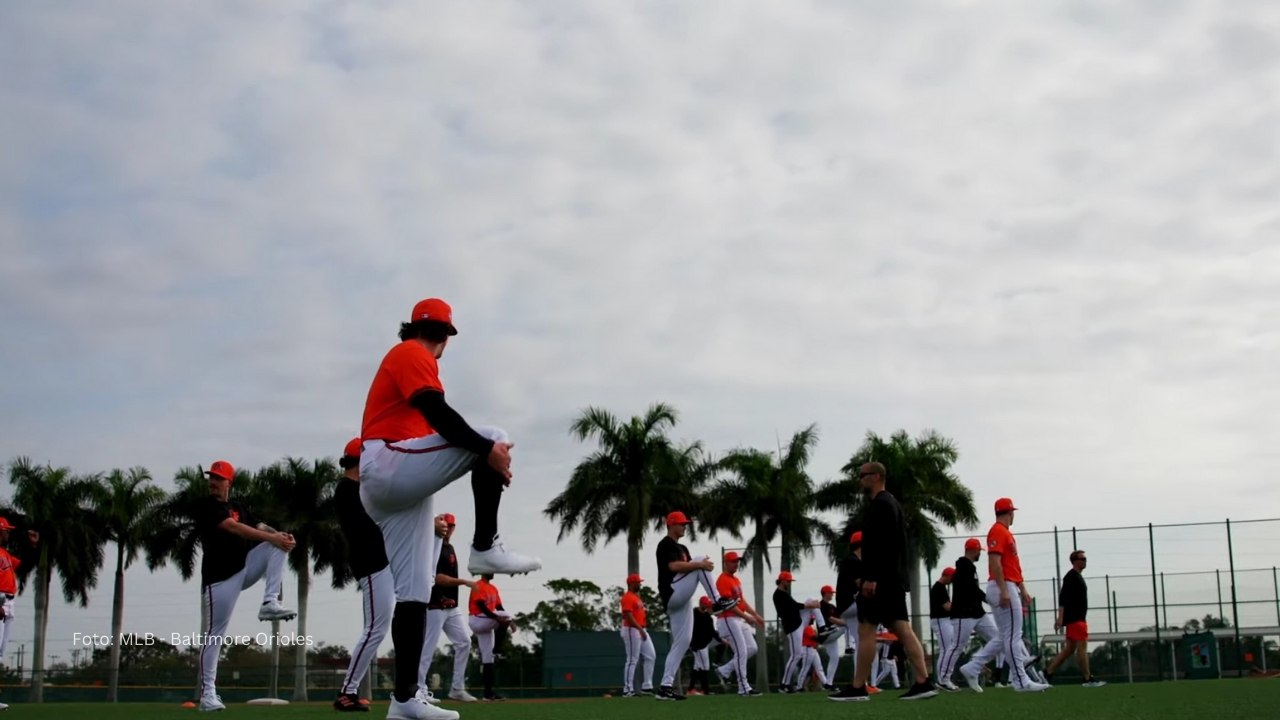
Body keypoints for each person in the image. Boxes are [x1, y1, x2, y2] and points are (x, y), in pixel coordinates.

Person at [358, 298, 539, 720]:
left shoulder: (407, 353)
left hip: (393, 482)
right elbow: (437, 411)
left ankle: (404, 700)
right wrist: (487, 452)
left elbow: (432, 428)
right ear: (445, 338)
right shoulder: (412, 354)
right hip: (388, 462)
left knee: (416, 590)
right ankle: (485, 546)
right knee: (491, 435)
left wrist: (483, 455)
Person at [194, 460, 297, 712]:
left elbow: (258, 526)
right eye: (212, 478)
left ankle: (270, 602)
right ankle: (208, 695)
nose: (213, 482)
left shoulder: (237, 506)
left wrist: (280, 535)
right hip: (219, 580)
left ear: (230, 482)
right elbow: (235, 528)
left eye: (219, 478)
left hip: (243, 568)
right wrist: (271, 536)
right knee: (214, 635)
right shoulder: (207, 506)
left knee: (278, 543)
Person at [829, 462, 936, 702]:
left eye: (864, 476)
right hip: (892, 580)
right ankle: (923, 682)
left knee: (866, 629)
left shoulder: (881, 505)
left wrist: (871, 578)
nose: (860, 480)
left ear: (877, 476)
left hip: (881, 582)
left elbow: (882, 546)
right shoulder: (891, 503)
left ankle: (858, 688)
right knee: (902, 629)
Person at [334, 439, 394, 712]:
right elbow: (372, 525)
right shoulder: (348, 490)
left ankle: (351, 690)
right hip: (370, 565)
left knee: (378, 628)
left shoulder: (356, 489)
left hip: (378, 563)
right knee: (374, 629)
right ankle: (347, 691)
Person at [654, 511, 738, 701]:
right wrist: (700, 565)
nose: (685, 526)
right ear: (672, 524)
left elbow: (690, 572)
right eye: (682, 524)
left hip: (681, 598)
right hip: (672, 592)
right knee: (699, 560)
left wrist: (700, 566)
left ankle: (665, 688)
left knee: (682, 643)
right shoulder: (665, 544)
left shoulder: (682, 547)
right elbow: (673, 567)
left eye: (685, 524)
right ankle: (717, 600)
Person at [970, 498, 1046, 693]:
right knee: (1013, 636)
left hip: (1007, 584)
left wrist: (1023, 589)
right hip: (1002, 585)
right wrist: (1005, 590)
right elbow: (995, 563)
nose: (1013, 516)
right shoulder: (998, 531)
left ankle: (973, 666)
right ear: (1009, 512)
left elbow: (1013, 566)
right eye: (1013, 512)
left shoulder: (1005, 533)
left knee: (1006, 636)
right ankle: (1020, 680)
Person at [419, 513, 479, 704]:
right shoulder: (432, 547)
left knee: (464, 642)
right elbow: (437, 578)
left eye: (450, 525)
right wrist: (464, 582)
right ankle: (420, 690)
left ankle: (457, 688)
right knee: (428, 647)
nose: (448, 528)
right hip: (435, 605)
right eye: (444, 524)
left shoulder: (449, 547)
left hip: (451, 606)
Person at [943, 538, 1002, 692]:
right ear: (972, 550)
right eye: (978, 551)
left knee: (999, 638)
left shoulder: (969, 567)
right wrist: (988, 599)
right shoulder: (964, 566)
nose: (979, 554)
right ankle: (943, 679)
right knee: (956, 646)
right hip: (964, 614)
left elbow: (972, 589)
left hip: (976, 612)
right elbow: (971, 589)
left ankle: (973, 667)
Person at [1045, 550, 1106, 687]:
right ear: (1075, 560)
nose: (1084, 561)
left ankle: (1047, 673)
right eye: (1082, 558)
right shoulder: (1071, 577)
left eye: (1085, 559)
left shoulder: (1077, 576)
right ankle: (1087, 678)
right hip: (1076, 619)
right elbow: (1063, 598)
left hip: (1077, 618)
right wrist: (1060, 618)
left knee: (1069, 649)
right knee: (1082, 648)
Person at [711, 551, 764, 697]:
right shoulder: (722, 580)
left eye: (737, 561)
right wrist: (746, 617)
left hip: (737, 619)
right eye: (733, 561)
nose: (736, 564)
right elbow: (728, 605)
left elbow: (742, 602)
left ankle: (724, 670)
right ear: (725, 563)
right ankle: (744, 687)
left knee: (752, 648)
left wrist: (756, 615)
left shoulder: (735, 580)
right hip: (727, 619)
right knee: (741, 651)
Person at [0, 516, 37, 712]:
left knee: (0, 651)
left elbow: (24, 566)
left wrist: (31, 547)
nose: (8, 533)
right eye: (6, 530)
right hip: (0, 600)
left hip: (8, 602)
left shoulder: (4, 553)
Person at [775, 571, 824, 693]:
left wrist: (811, 605)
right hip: (792, 626)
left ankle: (823, 627)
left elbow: (795, 606)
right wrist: (809, 605)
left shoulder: (784, 593)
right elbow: (794, 606)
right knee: (795, 656)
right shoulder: (779, 594)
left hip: (798, 623)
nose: (789, 583)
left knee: (813, 602)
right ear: (782, 581)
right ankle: (784, 685)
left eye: (789, 581)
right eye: (787, 581)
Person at [467, 574, 514, 702]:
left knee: (488, 659)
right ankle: (497, 650)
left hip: (486, 623)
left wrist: (510, 622)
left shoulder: (493, 588)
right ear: (483, 571)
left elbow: (499, 607)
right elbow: (481, 605)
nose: (492, 572)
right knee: (506, 615)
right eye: (489, 569)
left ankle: (488, 694)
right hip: (477, 619)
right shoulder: (478, 585)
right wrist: (498, 618)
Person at [620, 573, 656, 697]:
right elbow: (628, 616)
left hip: (640, 629)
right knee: (632, 660)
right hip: (632, 630)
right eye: (638, 582)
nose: (639, 584)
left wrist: (642, 629)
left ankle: (647, 686)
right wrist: (640, 629)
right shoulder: (627, 597)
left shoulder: (636, 597)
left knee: (651, 656)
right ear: (631, 584)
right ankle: (627, 689)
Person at [834, 532, 864, 660]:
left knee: (860, 642)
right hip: (850, 605)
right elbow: (860, 584)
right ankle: (882, 628)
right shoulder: (854, 561)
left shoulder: (849, 560)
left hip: (845, 607)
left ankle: (859, 679)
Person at [689, 597, 720, 695]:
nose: (707, 607)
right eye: (706, 605)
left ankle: (691, 689)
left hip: (704, 644)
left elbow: (712, 631)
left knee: (697, 666)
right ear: (701, 603)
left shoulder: (707, 617)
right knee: (704, 666)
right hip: (697, 645)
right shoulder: (693, 614)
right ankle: (705, 689)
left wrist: (721, 640)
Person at [929, 568, 955, 686]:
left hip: (943, 621)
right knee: (946, 649)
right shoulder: (939, 588)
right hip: (940, 620)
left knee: (946, 649)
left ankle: (941, 679)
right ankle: (941, 679)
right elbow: (947, 607)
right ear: (948, 576)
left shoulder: (940, 587)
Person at [817, 585, 843, 691]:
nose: (832, 594)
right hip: (826, 634)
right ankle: (850, 645)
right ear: (825, 593)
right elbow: (831, 619)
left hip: (832, 633)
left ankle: (829, 683)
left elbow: (840, 616)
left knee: (835, 657)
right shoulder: (822, 605)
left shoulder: (832, 606)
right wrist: (844, 623)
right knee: (848, 626)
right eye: (831, 592)